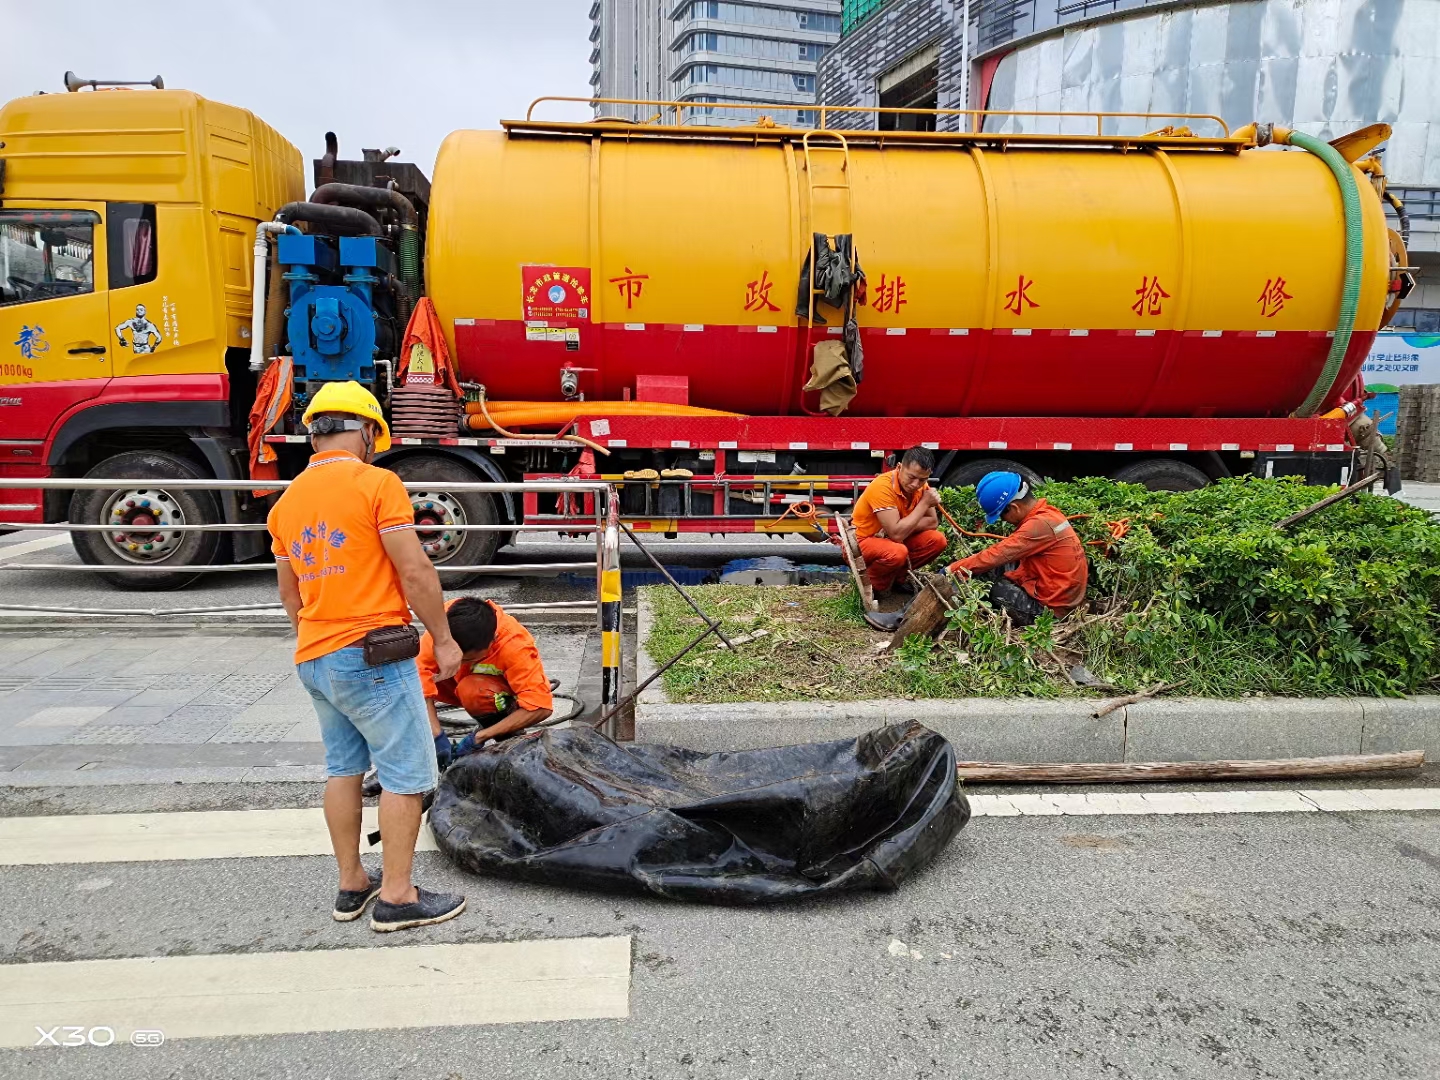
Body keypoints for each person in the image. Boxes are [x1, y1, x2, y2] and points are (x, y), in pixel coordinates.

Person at [269, 380, 467, 933]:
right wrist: (444, 640)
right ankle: (399, 897)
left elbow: (291, 596)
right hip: (371, 654)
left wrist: (319, 636)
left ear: (314, 435)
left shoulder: (285, 504)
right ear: (369, 432)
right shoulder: (378, 484)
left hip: (315, 654)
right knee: (406, 773)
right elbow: (416, 571)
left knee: (344, 769)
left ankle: (352, 883)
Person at [417, 596, 555, 760]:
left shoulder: (514, 645)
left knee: (473, 690)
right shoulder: (442, 629)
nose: (454, 664)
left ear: (492, 642)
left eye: (466, 660)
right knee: (402, 686)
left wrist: (480, 737)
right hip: (452, 688)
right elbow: (418, 676)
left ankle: (507, 732)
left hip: (491, 692)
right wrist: (436, 735)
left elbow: (541, 707)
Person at [947, 471, 1088, 625]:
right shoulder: (1049, 514)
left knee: (991, 587)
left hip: (1050, 613)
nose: (1004, 520)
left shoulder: (1038, 526)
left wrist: (951, 570)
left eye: (1002, 515)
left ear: (1014, 507)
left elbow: (996, 555)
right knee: (987, 568)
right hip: (1059, 595)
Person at [851, 446, 948, 596]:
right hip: (861, 542)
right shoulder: (882, 487)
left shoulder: (921, 486)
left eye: (922, 479)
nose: (916, 484)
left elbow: (932, 523)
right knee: (897, 552)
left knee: (937, 540)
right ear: (899, 467)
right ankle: (872, 586)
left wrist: (902, 526)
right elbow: (897, 534)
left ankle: (897, 579)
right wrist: (923, 505)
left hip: (889, 540)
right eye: (911, 477)